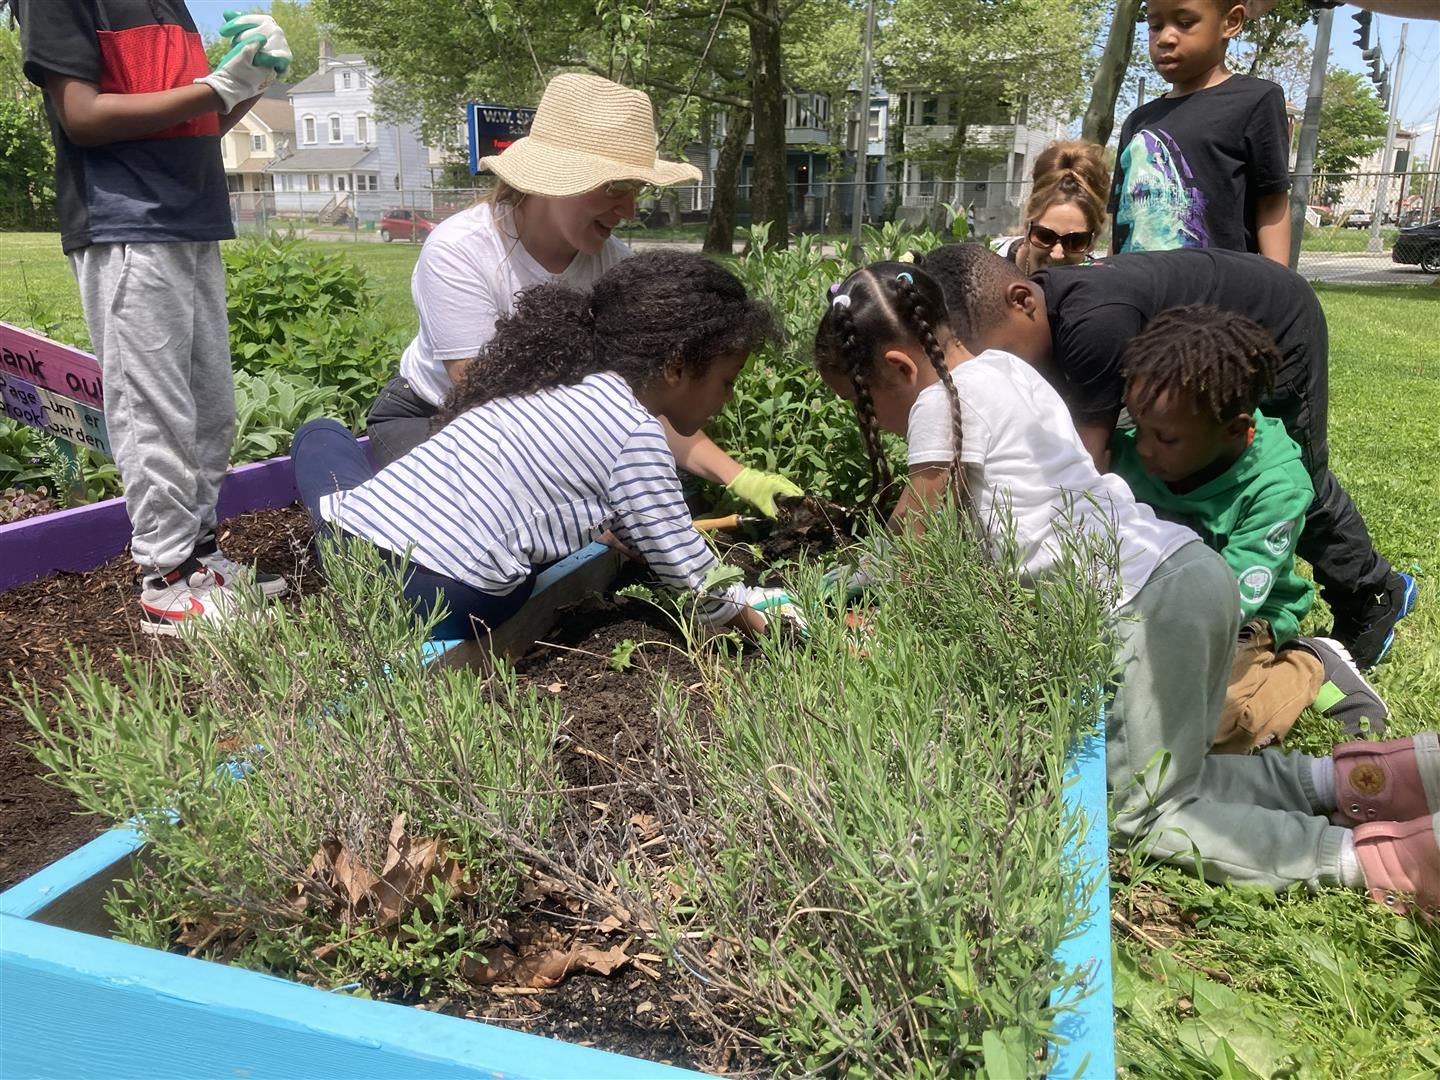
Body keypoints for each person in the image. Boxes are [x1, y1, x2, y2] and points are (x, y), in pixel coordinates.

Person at [811, 259, 1440, 918]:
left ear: (901, 367)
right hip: (1188, 571)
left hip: (1145, 607)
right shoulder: (1007, 369)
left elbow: (919, 526)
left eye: (862, 403)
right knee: (1172, 769)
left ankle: (1375, 860)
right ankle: (1368, 779)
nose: (876, 423)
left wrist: (864, 601)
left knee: (1136, 808)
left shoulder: (939, 399)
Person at [924, 242, 1417, 669]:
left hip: (1276, 326)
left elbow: (1084, 470)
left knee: (1302, 480)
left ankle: (1361, 609)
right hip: (1180, 564)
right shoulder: (1148, 435)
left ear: (1022, 301)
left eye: (996, 356)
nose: (1143, 452)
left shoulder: (1095, 325)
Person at [364, 72, 801, 518]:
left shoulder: (614, 265)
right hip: (435, 416)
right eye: (614, 188)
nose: (629, 210)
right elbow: (486, 403)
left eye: (635, 191)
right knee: (462, 521)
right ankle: (331, 469)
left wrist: (738, 476)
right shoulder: (461, 250)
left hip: (556, 431)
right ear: (555, 180)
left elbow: (642, 399)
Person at [295, 252, 786, 641]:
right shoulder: (637, 435)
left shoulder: (555, 389)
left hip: (357, 554)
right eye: (727, 380)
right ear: (676, 367)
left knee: (320, 435)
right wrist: (767, 622)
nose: (729, 398)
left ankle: (359, 509)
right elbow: (695, 578)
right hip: (454, 599)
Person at [16, 0, 291, 635]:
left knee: (208, 406)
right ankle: (166, 580)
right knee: (154, 407)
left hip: (192, 218)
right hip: (125, 224)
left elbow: (198, 124)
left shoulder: (169, 5)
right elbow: (83, 118)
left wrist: (250, 81)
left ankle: (199, 561)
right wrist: (214, 85)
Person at [1113, 306, 1388, 752]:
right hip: (1142, 607)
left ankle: (1308, 662)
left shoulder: (1276, 486)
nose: (1141, 448)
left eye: (1165, 439)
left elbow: (1231, 599)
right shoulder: (1136, 446)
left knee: (1207, 731)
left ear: (1233, 430)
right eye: (1137, 427)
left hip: (1241, 616)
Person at [1109, 0, 1291, 264]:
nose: (1165, 38)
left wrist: (1279, 290)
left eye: (1184, 23)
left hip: (1217, 298)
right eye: (1155, 26)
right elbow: (1122, 220)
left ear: (1231, 22)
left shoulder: (1256, 100)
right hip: (1140, 296)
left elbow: (1272, 202)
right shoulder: (1138, 122)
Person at [991, 141, 1110, 273]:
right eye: (1045, 236)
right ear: (1027, 227)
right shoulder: (993, 265)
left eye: (1075, 241)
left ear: (1092, 242)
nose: (1057, 254)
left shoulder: (1098, 284)